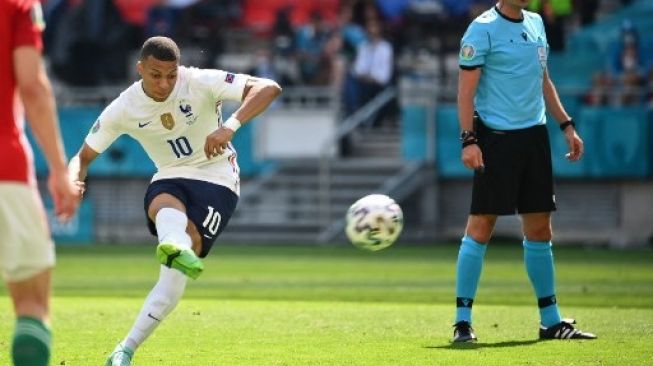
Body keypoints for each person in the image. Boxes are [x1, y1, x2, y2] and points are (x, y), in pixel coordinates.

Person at [67, 36, 281, 366]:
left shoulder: (198, 81)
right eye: (155, 74)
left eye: (171, 74)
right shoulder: (124, 107)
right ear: (140, 69)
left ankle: (128, 343)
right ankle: (123, 353)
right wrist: (72, 180)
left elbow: (268, 87)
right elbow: (82, 157)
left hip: (218, 176)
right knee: (162, 200)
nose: (165, 83)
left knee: (176, 269)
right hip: (170, 173)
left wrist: (231, 127)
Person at [453, 0, 597, 342]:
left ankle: (551, 321)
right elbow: (465, 92)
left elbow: (543, 78)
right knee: (481, 224)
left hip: (534, 137)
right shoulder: (482, 28)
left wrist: (566, 124)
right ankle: (462, 322)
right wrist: (468, 141)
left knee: (540, 228)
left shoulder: (536, 22)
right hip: (496, 140)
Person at [0, 1, 80, 365]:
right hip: (6, 167)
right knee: (31, 305)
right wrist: (59, 169)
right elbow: (32, 86)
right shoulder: (17, 4)